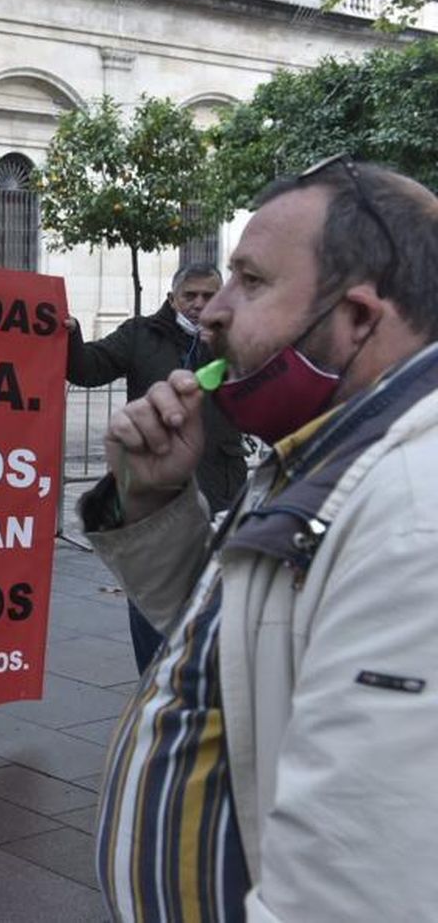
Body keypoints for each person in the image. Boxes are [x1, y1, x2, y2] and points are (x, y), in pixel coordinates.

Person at [83, 158, 438, 919]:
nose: (213, 312)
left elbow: (354, 886)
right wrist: (155, 501)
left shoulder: (416, 516)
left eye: (250, 281)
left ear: (357, 319)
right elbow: (242, 635)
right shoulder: (318, 449)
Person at [64, 262, 247, 671]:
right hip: (158, 492)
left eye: (209, 296)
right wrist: (71, 333)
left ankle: (210, 674)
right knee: (154, 589)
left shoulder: (231, 338)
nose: (200, 305)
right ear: (173, 298)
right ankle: (155, 678)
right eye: (191, 296)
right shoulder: (140, 334)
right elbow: (88, 368)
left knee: (219, 587)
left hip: (221, 482)